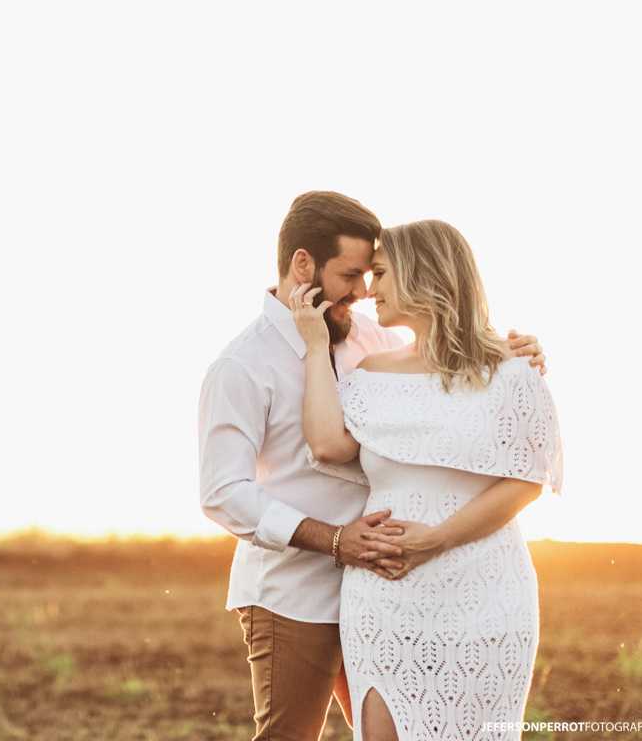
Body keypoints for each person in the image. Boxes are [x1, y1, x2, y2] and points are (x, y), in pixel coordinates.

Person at [197, 192, 545, 741]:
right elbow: (224, 493)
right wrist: (336, 541)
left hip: (390, 584)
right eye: (350, 275)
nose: (362, 292)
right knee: (290, 736)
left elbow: (441, 370)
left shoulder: (372, 338)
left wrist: (513, 351)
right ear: (303, 265)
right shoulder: (242, 365)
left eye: (371, 275)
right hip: (297, 592)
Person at [290, 219, 563, 741]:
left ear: (421, 273)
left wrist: (437, 538)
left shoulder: (512, 369)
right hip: (385, 596)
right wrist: (315, 346)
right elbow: (326, 444)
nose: (369, 289)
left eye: (380, 273)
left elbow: (525, 480)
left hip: (486, 595)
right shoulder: (372, 371)